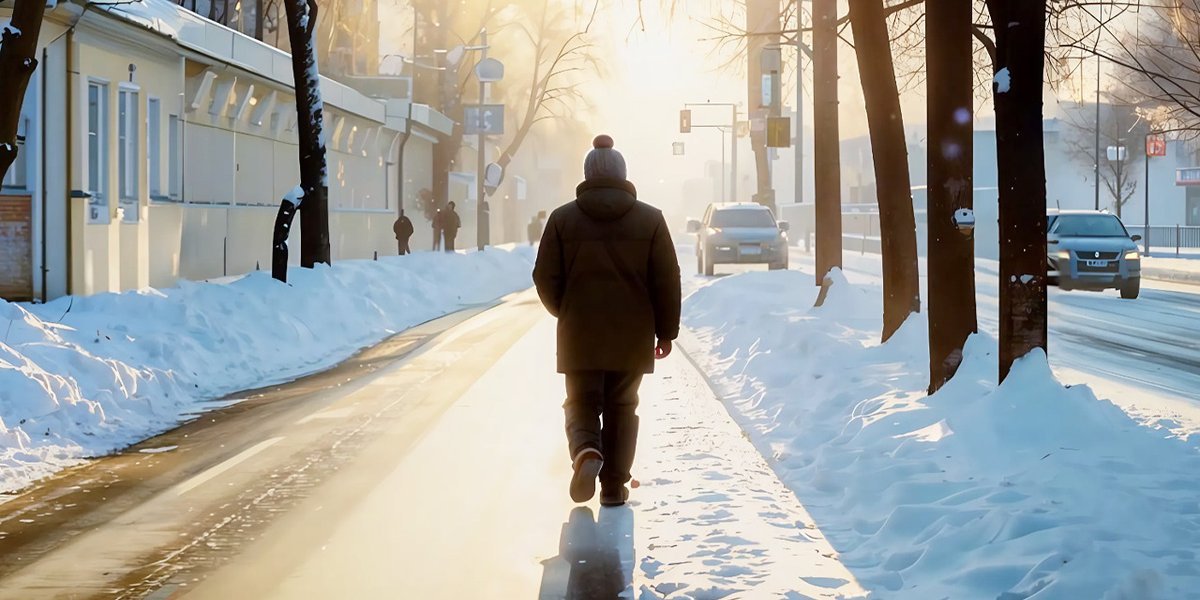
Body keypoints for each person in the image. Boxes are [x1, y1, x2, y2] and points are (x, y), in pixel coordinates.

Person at [533, 134, 681, 508]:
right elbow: (666, 278)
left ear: (587, 174)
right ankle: (614, 486)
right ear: (623, 173)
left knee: (581, 401)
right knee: (622, 407)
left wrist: (565, 310)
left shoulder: (562, 219)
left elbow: (544, 276)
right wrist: (666, 331)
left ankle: (585, 450)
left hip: (579, 332)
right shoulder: (651, 220)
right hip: (631, 335)